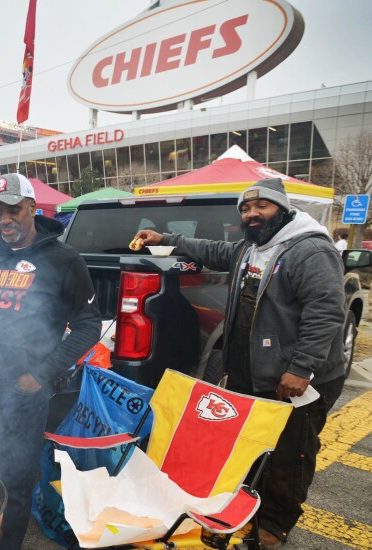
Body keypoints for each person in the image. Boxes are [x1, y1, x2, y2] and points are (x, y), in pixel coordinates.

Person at [133, 177, 346, 549]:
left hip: (300, 377)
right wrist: (165, 238)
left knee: (290, 454)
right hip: (255, 370)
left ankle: (275, 526)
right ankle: (249, 508)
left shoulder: (309, 250)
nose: (252, 214)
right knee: (255, 446)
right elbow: (211, 249)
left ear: (282, 209)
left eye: (261, 206)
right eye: (246, 209)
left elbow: (326, 312)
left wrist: (301, 368)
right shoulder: (250, 248)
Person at [0, 173, 101, 549]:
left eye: (13, 210)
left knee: (15, 480)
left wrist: (42, 374)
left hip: (25, 391)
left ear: (32, 207)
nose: (4, 220)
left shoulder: (63, 259)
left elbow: (87, 326)